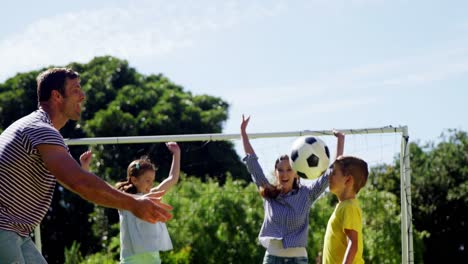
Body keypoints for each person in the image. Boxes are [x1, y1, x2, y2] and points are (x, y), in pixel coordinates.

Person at [0, 68, 172, 263]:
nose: (82, 96)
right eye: (75, 90)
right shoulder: (41, 130)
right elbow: (79, 182)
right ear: (57, 96)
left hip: (16, 231)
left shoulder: (35, 128)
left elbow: (78, 181)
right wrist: (133, 203)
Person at [240, 115, 345, 264]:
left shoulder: (306, 194)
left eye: (289, 169)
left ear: (296, 172)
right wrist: (243, 132)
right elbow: (252, 163)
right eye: (280, 170)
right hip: (272, 258)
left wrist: (340, 140)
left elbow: (331, 172)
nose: (284, 174)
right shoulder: (268, 193)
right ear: (275, 172)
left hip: (298, 259)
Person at [115, 142, 181, 264]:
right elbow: (97, 189)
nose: (151, 184)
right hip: (130, 260)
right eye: (147, 180)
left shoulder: (153, 195)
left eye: (153, 181)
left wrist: (176, 154)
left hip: (153, 260)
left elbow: (172, 178)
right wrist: (85, 168)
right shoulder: (123, 200)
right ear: (134, 180)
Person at [322, 156, 368, 264]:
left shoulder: (349, 207)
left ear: (348, 180)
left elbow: (353, 243)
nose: (329, 176)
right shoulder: (343, 205)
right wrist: (340, 140)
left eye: (333, 173)